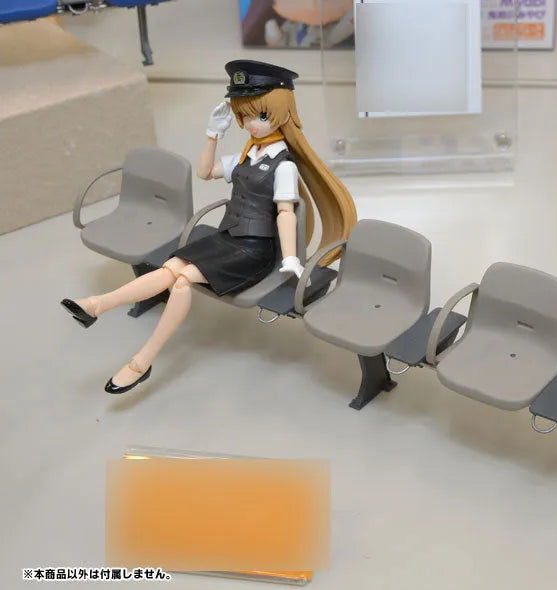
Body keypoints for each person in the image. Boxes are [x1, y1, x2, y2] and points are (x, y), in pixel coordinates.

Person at [61, 60, 357, 394]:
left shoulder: (284, 165)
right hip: (226, 237)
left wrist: (290, 258)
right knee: (170, 268)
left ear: (282, 112)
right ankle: (96, 306)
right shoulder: (246, 155)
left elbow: (286, 213)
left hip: (254, 250)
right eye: (244, 116)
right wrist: (212, 135)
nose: (252, 124)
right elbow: (205, 172)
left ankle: (142, 362)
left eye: (260, 115)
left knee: (183, 280)